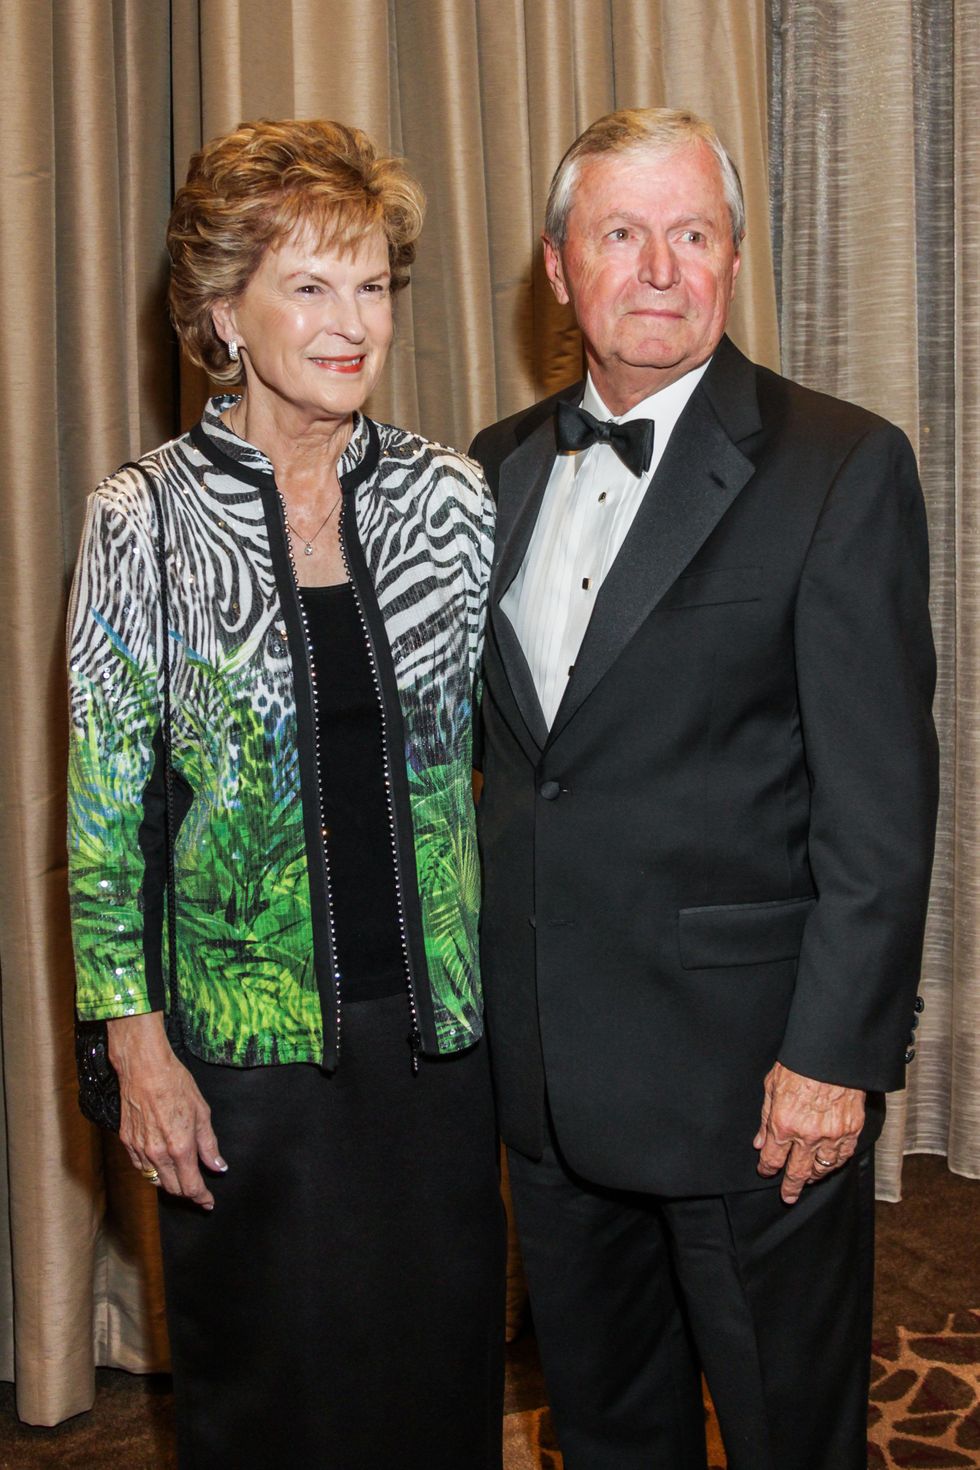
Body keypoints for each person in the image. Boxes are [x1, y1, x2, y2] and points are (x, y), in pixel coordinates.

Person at [470, 107, 938, 1470]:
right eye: (623, 233)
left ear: (734, 257)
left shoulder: (841, 466)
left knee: (791, 1436)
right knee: (609, 1432)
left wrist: (833, 1060)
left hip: (755, 1094)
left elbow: (880, 808)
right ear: (559, 266)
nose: (661, 268)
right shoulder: (492, 469)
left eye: (694, 233)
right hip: (551, 1088)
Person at [67, 118, 503, 1470]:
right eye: (309, 285)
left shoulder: (453, 499)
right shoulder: (143, 517)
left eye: (371, 284)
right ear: (221, 311)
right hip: (241, 1058)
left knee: (436, 1395)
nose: (351, 322)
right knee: (269, 1408)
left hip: (435, 1049)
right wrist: (135, 1049)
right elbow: (107, 818)